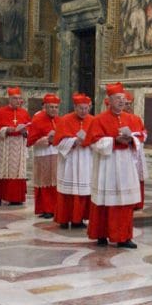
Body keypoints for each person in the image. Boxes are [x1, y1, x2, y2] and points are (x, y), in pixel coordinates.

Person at [82, 83, 140, 248]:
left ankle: (124, 237)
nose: (122, 102)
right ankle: (101, 234)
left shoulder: (131, 118)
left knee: (124, 201)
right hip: (107, 164)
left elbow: (139, 137)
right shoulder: (99, 119)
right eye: (118, 99)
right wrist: (114, 140)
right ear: (109, 100)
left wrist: (132, 139)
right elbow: (93, 142)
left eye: (123, 99)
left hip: (125, 163)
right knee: (105, 200)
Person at [54, 93, 94, 229]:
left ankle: (78, 219)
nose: (84, 111)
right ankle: (64, 219)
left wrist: (91, 142)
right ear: (75, 107)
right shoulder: (65, 120)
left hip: (86, 159)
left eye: (86, 108)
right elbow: (58, 143)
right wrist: (74, 141)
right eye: (81, 108)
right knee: (67, 191)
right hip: (69, 160)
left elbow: (97, 139)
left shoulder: (93, 120)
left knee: (83, 191)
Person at [0, 87, 30, 206]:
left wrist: (25, 132)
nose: (17, 101)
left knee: (16, 171)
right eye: (15, 98)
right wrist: (7, 129)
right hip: (3, 146)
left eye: (19, 99)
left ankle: (15, 198)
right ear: (9, 99)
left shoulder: (24, 113)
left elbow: (30, 128)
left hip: (18, 146)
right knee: (1, 169)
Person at [27, 94, 60, 219]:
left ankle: (55, 208)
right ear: (45, 107)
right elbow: (31, 140)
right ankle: (46, 208)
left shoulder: (59, 120)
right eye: (51, 107)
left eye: (56, 107)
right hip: (43, 154)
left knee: (55, 182)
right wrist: (47, 139)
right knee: (44, 182)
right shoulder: (38, 119)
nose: (54, 110)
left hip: (56, 154)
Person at [123, 91, 147, 211]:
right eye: (126, 104)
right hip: (125, 152)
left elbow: (144, 132)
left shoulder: (137, 118)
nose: (128, 106)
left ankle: (137, 202)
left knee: (138, 177)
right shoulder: (119, 118)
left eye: (130, 104)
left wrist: (137, 136)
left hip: (137, 151)